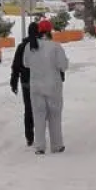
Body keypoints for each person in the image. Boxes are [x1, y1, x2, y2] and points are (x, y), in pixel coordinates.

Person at [22, 18, 69, 154]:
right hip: (53, 86)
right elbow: (63, 66)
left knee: (38, 116)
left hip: (36, 86)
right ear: (50, 31)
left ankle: (40, 146)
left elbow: (26, 64)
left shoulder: (29, 47)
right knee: (55, 116)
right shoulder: (55, 46)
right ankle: (57, 145)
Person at [10, 24, 38, 146]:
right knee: (40, 109)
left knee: (28, 109)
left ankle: (29, 136)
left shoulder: (22, 47)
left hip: (26, 83)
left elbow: (16, 66)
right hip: (40, 81)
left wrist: (14, 82)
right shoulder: (41, 46)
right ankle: (41, 133)